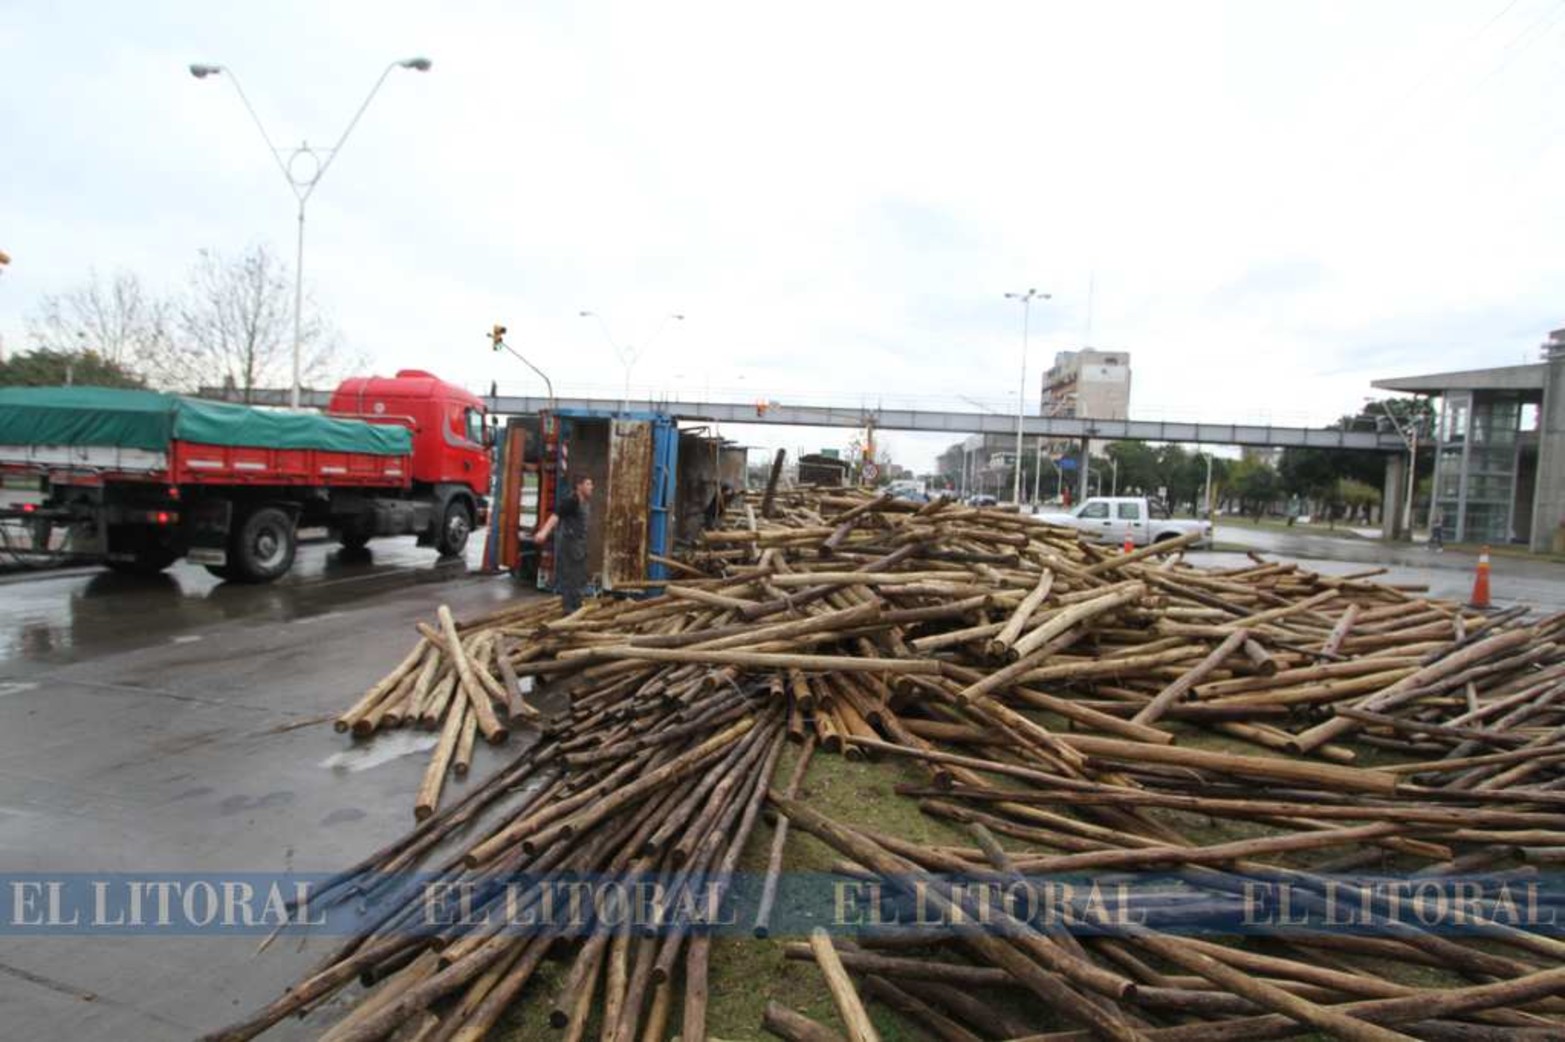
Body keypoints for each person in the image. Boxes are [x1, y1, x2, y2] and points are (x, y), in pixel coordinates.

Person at [534, 473, 595, 612]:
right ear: (579, 486)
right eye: (588, 484)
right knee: (570, 578)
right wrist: (543, 532)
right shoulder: (571, 501)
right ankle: (569, 610)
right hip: (569, 545)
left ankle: (577, 606)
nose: (592, 487)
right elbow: (556, 516)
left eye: (591, 484)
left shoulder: (584, 502)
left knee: (579, 577)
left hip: (579, 546)